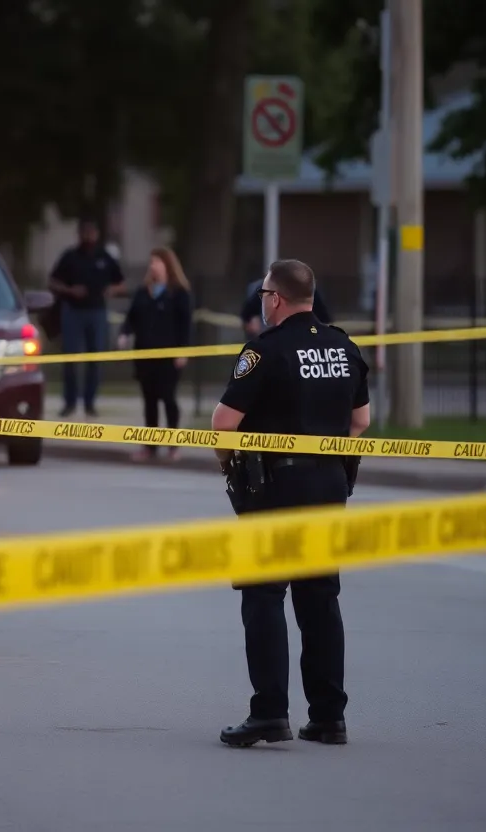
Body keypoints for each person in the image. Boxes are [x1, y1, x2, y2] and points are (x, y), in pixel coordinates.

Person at [211, 258, 371, 748]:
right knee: (320, 598)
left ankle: (269, 714)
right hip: (328, 486)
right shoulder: (343, 346)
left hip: (275, 488)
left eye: (263, 294)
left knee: (263, 597)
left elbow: (223, 422)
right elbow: (361, 420)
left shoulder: (265, 351)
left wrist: (231, 466)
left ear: (275, 298)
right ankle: (327, 717)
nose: (261, 302)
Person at [117, 246, 194, 462]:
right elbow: (131, 318)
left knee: (168, 398)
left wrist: (183, 351)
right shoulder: (144, 292)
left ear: (167, 265)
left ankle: (173, 445)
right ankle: (150, 446)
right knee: (149, 401)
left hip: (169, 357)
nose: (152, 266)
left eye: (157, 262)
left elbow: (186, 325)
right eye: (151, 262)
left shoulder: (179, 293)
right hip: (144, 355)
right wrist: (124, 334)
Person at [48, 218, 128, 418]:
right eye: (85, 233)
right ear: (80, 235)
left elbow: (122, 284)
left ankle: (90, 403)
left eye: (92, 233)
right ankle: (69, 402)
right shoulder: (70, 257)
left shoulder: (105, 257)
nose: (89, 237)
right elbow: (53, 282)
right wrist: (70, 290)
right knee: (71, 358)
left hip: (97, 312)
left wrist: (111, 290)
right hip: (73, 312)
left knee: (95, 359)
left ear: (97, 235)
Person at [239, 275, 333, 337]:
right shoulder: (268, 290)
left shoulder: (310, 292)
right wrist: (252, 321)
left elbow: (325, 319)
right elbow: (247, 313)